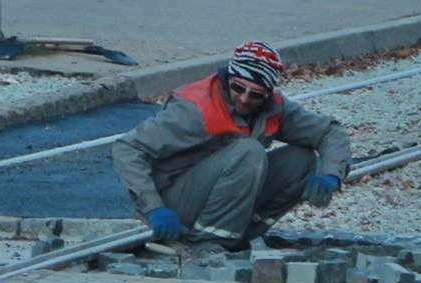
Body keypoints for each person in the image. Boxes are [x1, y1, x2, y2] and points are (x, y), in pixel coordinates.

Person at [113, 41, 350, 252]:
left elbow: (329, 131)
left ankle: (236, 235)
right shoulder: (193, 110)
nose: (245, 99)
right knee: (249, 152)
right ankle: (205, 244)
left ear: (267, 94)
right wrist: (154, 208)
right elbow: (127, 148)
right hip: (174, 203)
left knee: (301, 159)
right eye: (238, 88)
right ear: (228, 79)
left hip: (219, 198)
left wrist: (331, 174)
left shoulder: (274, 108)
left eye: (255, 94)